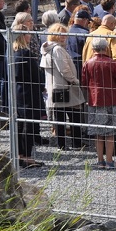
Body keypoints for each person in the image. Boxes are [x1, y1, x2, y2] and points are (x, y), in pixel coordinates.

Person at [40, 23, 87, 152]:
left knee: (60, 117)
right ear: (54, 35)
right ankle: (76, 143)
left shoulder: (47, 49)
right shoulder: (57, 50)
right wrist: (75, 81)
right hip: (66, 87)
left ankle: (62, 144)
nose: (63, 37)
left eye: (64, 34)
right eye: (60, 34)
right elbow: (64, 70)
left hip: (55, 87)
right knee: (74, 115)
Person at [81, 37, 116, 169]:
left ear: (93, 49)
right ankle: (110, 160)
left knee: (98, 132)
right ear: (106, 48)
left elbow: (84, 82)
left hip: (94, 100)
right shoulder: (111, 63)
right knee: (110, 132)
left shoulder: (87, 63)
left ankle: (100, 160)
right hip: (111, 99)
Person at [11, 24, 43, 168]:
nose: (30, 36)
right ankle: (27, 157)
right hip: (30, 93)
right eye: (28, 33)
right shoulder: (25, 54)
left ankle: (20, 155)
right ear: (23, 36)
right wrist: (42, 84)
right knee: (28, 125)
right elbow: (35, 75)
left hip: (18, 92)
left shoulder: (13, 52)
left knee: (20, 125)